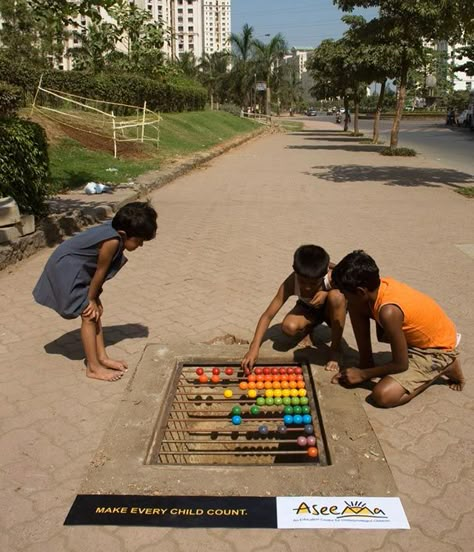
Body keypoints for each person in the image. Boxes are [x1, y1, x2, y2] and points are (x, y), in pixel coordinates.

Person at [33, 201, 158, 382]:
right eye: (138, 241)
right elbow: (100, 271)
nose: (140, 245)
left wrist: (95, 298)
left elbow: (98, 274)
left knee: (95, 311)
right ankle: (93, 367)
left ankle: (102, 358)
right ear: (124, 234)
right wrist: (91, 298)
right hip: (66, 269)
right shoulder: (112, 241)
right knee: (89, 314)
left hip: (78, 268)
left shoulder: (116, 230)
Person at [330, 250, 465, 407]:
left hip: (437, 350)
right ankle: (366, 361)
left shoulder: (389, 312)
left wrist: (363, 375)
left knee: (383, 396)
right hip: (420, 339)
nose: (344, 297)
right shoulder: (378, 287)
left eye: (345, 293)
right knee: (355, 305)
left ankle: (444, 367)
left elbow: (401, 364)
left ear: (360, 291)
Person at [241, 245, 346, 372]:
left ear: (324, 273)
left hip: (331, 311)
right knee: (288, 327)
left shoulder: (332, 277)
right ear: (295, 271)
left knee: (337, 296)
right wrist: (254, 348)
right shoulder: (291, 282)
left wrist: (326, 293)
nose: (307, 287)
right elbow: (267, 315)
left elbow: (352, 277)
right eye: (302, 282)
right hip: (309, 309)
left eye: (313, 283)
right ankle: (309, 329)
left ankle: (335, 349)